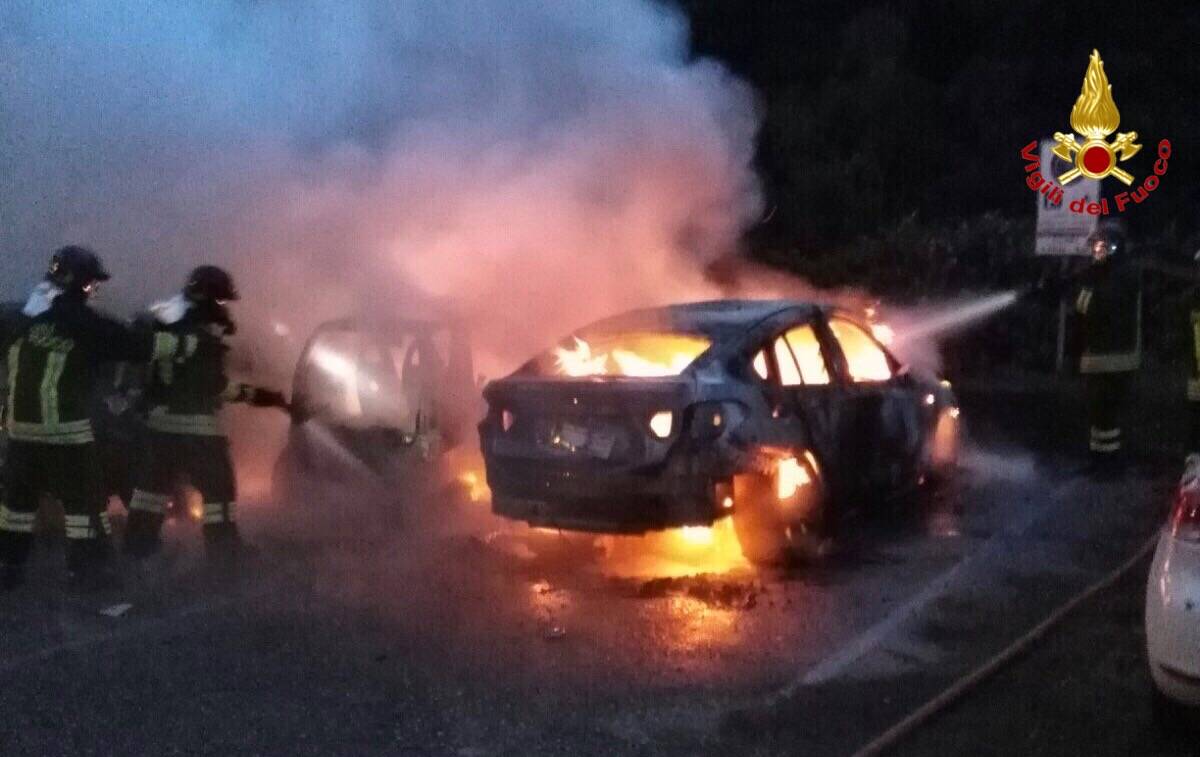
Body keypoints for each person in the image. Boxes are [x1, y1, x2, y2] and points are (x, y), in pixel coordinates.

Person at [0, 246, 187, 590]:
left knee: (16, 508)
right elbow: (134, 345)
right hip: (66, 435)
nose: (92, 290)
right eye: (90, 284)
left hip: (21, 434)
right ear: (78, 283)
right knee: (85, 507)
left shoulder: (18, 320)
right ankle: (88, 573)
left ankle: (9, 569)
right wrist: (183, 346)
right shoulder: (84, 323)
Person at [123, 266, 287, 565]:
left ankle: (137, 548)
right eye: (221, 300)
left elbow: (152, 380)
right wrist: (263, 397)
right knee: (219, 493)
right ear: (209, 299)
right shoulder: (203, 339)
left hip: (160, 430)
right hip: (199, 432)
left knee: (151, 492)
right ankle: (224, 555)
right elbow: (215, 386)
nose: (224, 308)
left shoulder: (166, 330)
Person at [1075, 219, 1141, 469]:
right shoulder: (1112, 274)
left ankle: (1108, 463)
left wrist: (1089, 282)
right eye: (1096, 246)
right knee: (1099, 415)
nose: (1098, 251)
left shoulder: (1118, 277)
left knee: (1106, 415)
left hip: (1112, 358)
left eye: (1104, 247)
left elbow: (1090, 308)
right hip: (1102, 357)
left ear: (1115, 248)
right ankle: (1098, 459)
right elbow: (1083, 311)